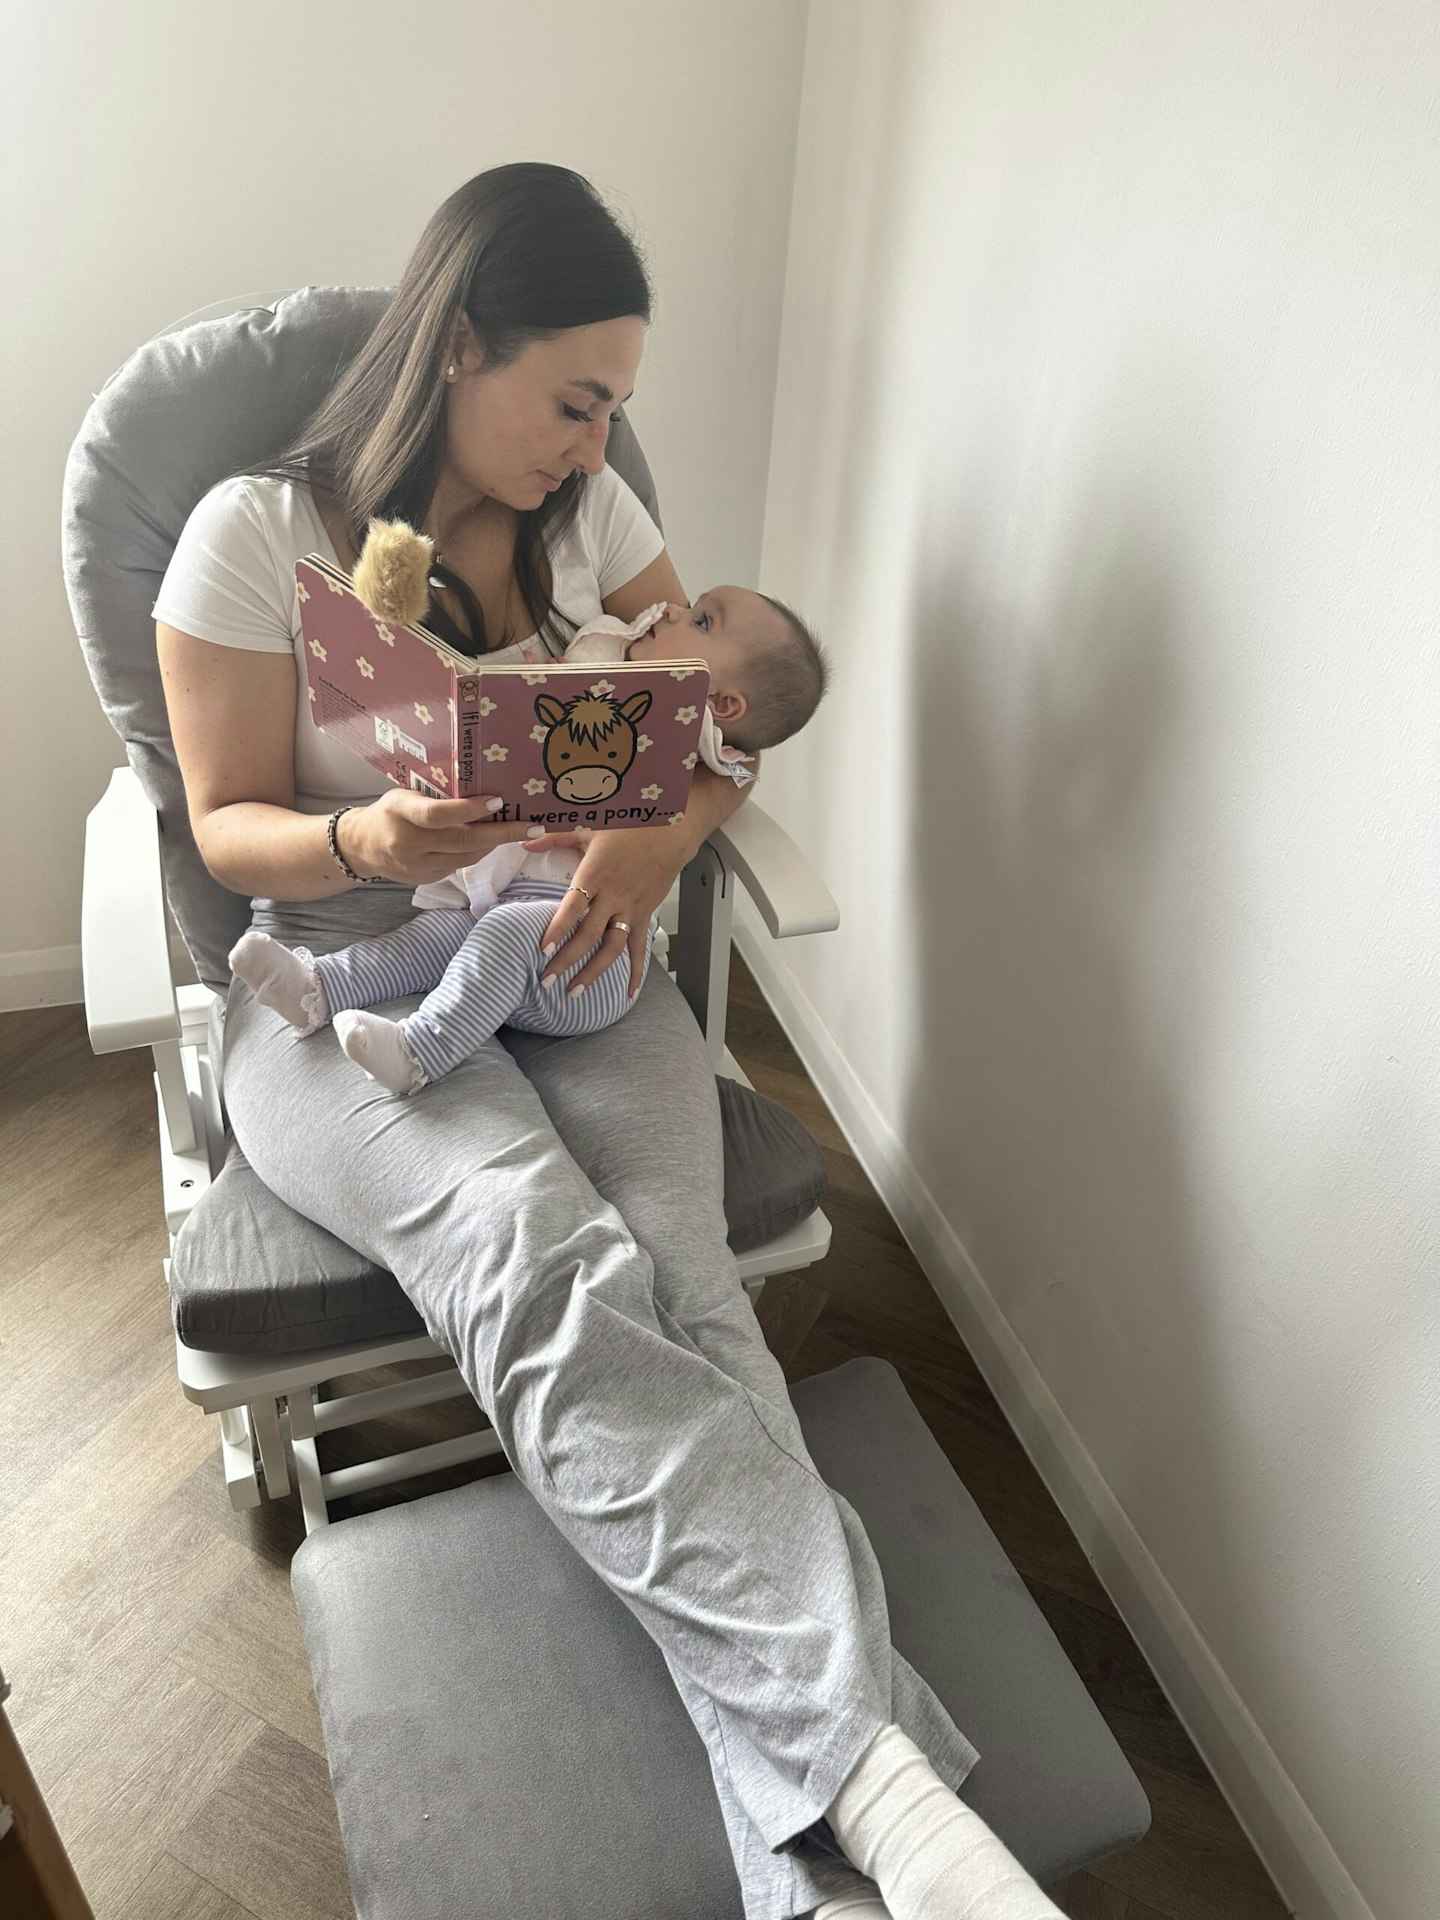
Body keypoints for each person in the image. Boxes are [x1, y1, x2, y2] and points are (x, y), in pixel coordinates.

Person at [154, 162, 1063, 1920]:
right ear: (460, 340)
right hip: (349, 989)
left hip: (579, 961)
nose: (596, 450)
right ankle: (891, 1799)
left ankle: (819, 1863)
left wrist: (655, 839)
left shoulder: (584, 526)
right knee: (538, 1252)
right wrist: (367, 839)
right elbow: (223, 827)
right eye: (573, 404)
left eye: (618, 414)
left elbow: (723, 724)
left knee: (691, 1285)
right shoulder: (257, 537)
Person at [226, 587, 828, 1096]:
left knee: (500, 935)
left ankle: (419, 1053)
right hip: (513, 911)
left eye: (700, 620)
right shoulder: (616, 658)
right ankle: (320, 987)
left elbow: (741, 763)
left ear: (721, 704)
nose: (669, 608)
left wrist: (664, 831)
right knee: (434, 936)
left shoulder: (699, 731)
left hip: (589, 965)